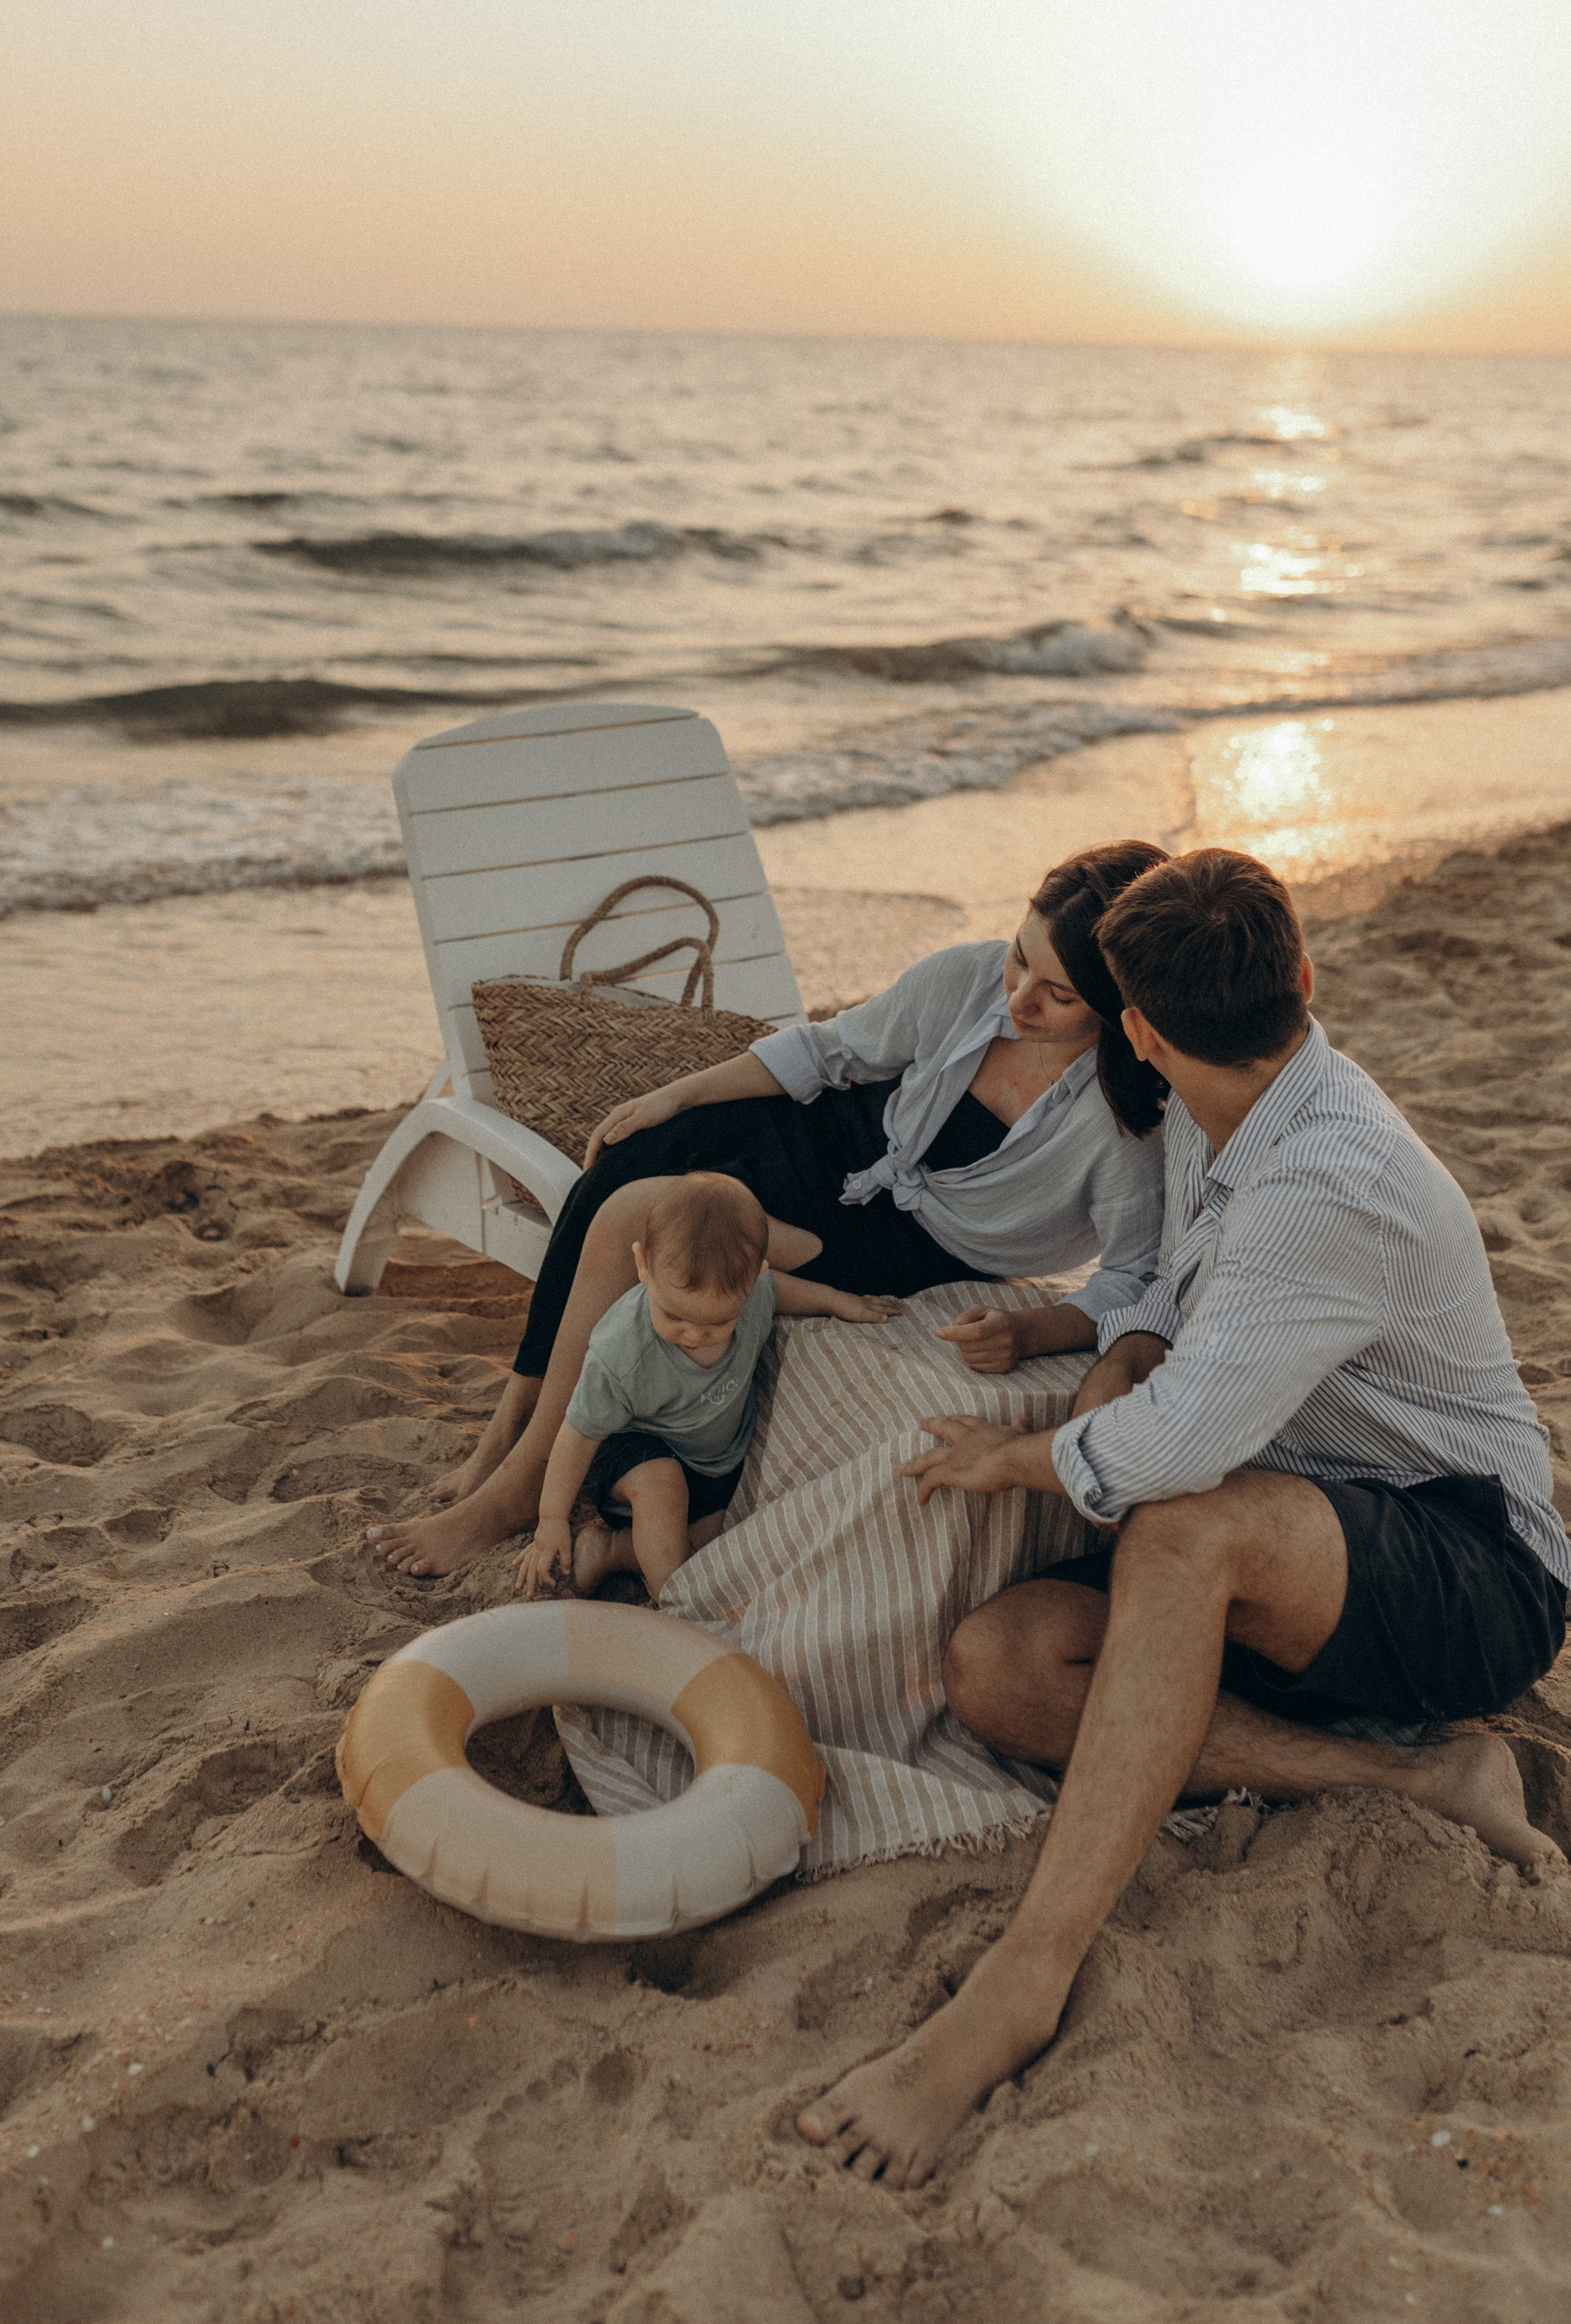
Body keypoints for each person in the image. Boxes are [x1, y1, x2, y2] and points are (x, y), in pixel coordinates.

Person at [796, 847, 1569, 2191]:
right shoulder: (1219, 1111)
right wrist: (1120, 1349)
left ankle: (1019, 1985)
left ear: (1138, 1032)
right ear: (1300, 981)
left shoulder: (1324, 1182)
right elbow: (1158, 1285)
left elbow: (1173, 1452)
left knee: (1180, 1525)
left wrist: (1018, 1458)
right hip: (1311, 1552)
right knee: (999, 1669)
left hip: (1464, 1567)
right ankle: (1415, 1778)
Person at [369, 841, 1172, 1579]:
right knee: (635, 1151)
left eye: (1057, 995)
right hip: (833, 1141)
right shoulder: (965, 978)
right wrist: (670, 1095)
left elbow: (1135, 1277)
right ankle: (508, 1435)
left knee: (637, 1213)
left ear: (1117, 1006)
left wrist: (1033, 1331)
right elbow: (828, 1052)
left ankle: (516, 1488)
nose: (1019, 1000)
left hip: (903, 1244)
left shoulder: (1122, 1129)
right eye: (1018, 960)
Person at [514, 1170, 901, 1601]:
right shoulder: (622, 1351)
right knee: (663, 1490)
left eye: (716, 1323)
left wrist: (837, 1300)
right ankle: (677, 1604)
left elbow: (781, 1291)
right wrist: (551, 1517)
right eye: (675, 1317)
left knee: (715, 1550)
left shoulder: (754, 1292)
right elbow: (579, 1434)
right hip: (633, 1451)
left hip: (715, 1464)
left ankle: (609, 1551)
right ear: (643, 1265)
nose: (693, 1335)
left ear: (754, 1277)